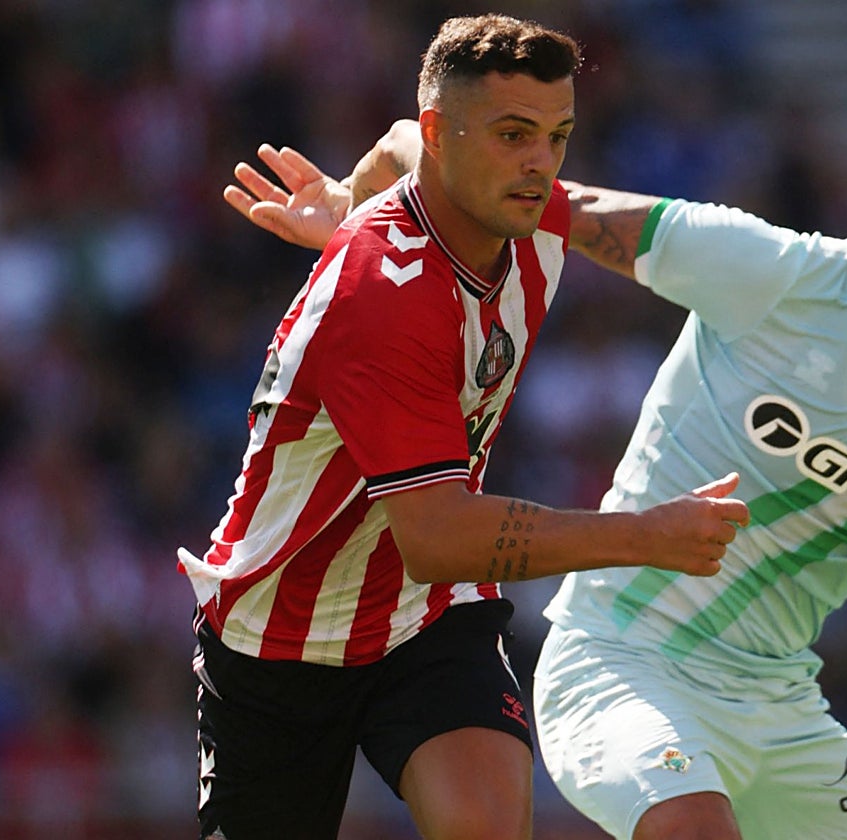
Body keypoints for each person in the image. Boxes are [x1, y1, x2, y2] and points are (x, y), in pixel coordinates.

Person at [229, 96, 847, 839]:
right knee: (692, 829)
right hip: (623, 660)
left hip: (781, 705)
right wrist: (364, 212)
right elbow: (509, 188)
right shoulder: (773, 272)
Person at [181, 14, 750, 840]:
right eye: (513, 135)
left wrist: (346, 198)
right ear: (454, 135)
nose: (539, 166)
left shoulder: (531, 214)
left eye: (557, 137)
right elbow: (440, 535)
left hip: (425, 614)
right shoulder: (379, 293)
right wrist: (647, 536)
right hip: (280, 632)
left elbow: (402, 138)